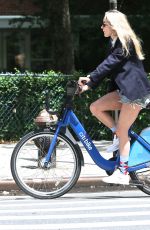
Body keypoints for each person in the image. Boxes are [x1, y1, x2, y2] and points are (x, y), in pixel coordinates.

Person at [78, 10, 150, 185]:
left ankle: (123, 173)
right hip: (124, 92)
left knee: (123, 130)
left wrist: (91, 79)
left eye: (104, 24)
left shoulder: (125, 43)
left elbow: (109, 64)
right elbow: (109, 67)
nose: (101, 27)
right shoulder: (114, 42)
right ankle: (118, 135)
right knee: (95, 107)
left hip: (134, 93)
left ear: (113, 26)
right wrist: (89, 83)